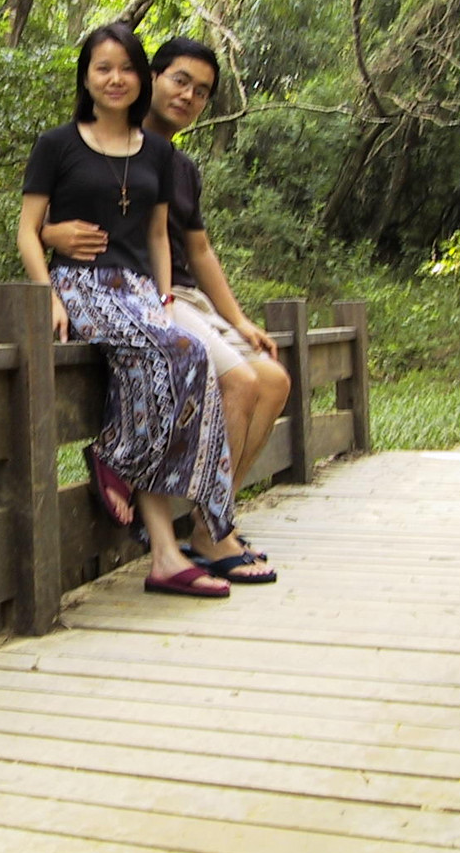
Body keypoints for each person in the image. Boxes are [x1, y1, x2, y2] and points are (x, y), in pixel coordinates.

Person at [43, 37, 288, 581]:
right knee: (240, 382)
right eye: (179, 80)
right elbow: (50, 218)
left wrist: (240, 319)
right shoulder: (90, 142)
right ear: (149, 76)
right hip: (135, 291)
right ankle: (212, 532)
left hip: (177, 293)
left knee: (274, 381)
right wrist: (49, 234)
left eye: (202, 92)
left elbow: (198, 248)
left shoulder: (178, 165)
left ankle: (210, 523)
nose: (188, 96)